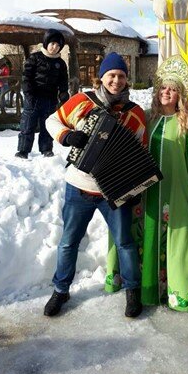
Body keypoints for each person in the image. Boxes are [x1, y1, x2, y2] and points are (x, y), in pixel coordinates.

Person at [44, 52, 146, 318]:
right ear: (101, 77)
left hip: (113, 191)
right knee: (68, 242)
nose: (116, 80)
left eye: (121, 76)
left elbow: (141, 153)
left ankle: (132, 291)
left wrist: (135, 188)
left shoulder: (134, 114)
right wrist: (67, 136)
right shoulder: (83, 101)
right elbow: (51, 120)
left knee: (125, 243)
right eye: (111, 75)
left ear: (126, 79)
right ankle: (61, 290)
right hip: (78, 186)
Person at [141, 55, 188, 312]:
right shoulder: (148, 119)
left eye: (172, 89)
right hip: (151, 189)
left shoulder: (186, 122)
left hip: (179, 187)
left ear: (180, 95)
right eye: (163, 88)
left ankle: (181, 293)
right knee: (150, 233)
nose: (166, 93)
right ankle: (151, 290)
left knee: (180, 236)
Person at [15, 29, 69, 159]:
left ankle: (46, 149)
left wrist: (63, 92)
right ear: (46, 43)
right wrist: (28, 92)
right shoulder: (35, 58)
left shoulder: (60, 63)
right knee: (28, 124)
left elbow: (63, 80)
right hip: (33, 97)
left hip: (50, 99)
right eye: (52, 44)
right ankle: (23, 150)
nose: (55, 47)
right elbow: (26, 76)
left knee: (47, 125)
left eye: (58, 45)